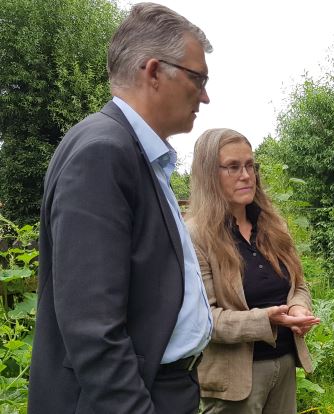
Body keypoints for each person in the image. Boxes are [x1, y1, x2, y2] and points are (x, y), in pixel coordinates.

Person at [28, 3, 213, 413]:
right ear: (152, 72)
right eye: (197, 78)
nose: (205, 95)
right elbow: (93, 329)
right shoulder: (104, 153)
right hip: (133, 398)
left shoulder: (135, 153)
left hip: (162, 387)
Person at [187, 128, 319, 414]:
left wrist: (297, 310)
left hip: (284, 366)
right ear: (209, 174)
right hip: (234, 384)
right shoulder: (195, 236)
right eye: (233, 167)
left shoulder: (273, 225)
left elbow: (299, 285)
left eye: (250, 165)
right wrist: (267, 320)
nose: (246, 175)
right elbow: (205, 319)